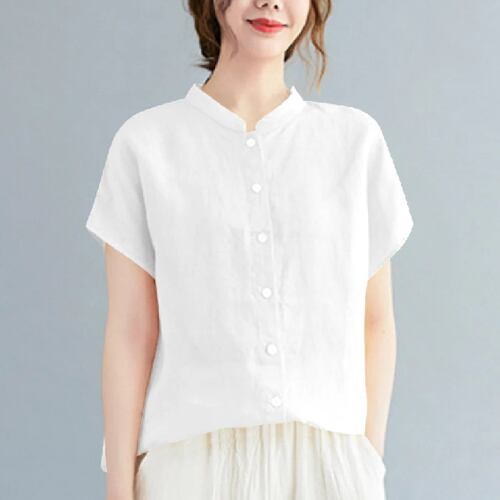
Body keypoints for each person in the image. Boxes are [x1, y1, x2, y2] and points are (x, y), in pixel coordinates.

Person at [85, 0, 414, 499]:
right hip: (190, 466)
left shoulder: (353, 142)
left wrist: (367, 461)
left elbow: (376, 322)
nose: (270, 2)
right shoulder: (147, 144)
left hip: (328, 467)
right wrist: (119, 488)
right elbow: (131, 333)